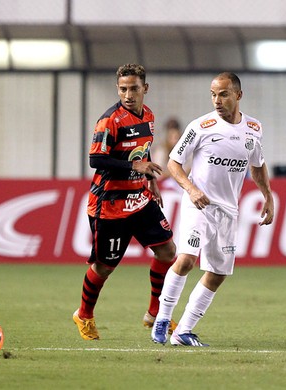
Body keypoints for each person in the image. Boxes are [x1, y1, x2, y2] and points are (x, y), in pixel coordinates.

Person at [151, 72, 274, 346]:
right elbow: (173, 163)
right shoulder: (201, 126)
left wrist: (268, 195)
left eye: (223, 94)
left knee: (218, 273)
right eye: (213, 94)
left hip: (228, 210)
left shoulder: (253, 129)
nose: (217, 100)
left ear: (238, 95)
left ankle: (183, 331)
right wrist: (191, 189)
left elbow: (257, 165)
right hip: (199, 203)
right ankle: (162, 319)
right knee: (186, 260)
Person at [72, 64, 177, 341]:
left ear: (145, 88)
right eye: (122, 89)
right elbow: (96, 160)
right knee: (105, 266)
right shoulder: (110, 121)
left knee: (167, 251)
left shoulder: (149, 116)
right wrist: (137, 166)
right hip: (110, 204)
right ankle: (84, 314)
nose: (128, 94)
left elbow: (143, 150)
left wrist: (150, 180)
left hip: (139, 198)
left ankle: (155, 313)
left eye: (133, 88)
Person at [150, 117, 183, 181]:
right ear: (167, 136)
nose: (174, 141)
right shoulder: (161, 151)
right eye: (171, 137)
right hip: (164, 184)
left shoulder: (184, 150)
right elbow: (158, 172)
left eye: (177, 137)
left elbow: (188, 169)